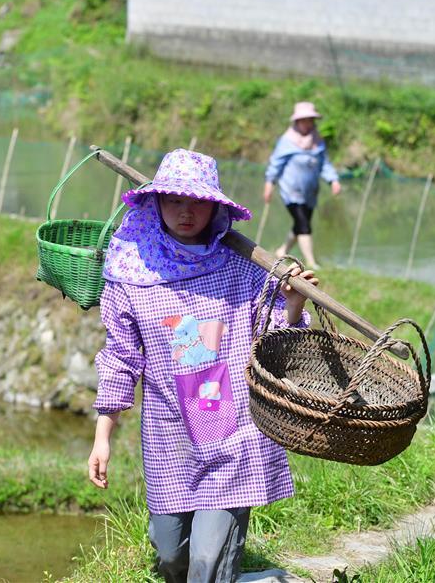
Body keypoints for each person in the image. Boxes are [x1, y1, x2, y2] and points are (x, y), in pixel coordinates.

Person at [87, 148, 318, 583]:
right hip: (170, 435)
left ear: (215, 206)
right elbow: (120, 358)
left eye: (196, 201)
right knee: (172, 556)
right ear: (155, 203)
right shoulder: (131, 271)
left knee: (207, 567)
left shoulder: (243, 268)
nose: (186, 212)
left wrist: (293, 303)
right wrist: (103, 437)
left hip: (233, 432)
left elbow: (275, 344)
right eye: (174, 200)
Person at [263, 101, 342, 270]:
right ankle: (311, 261)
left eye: (310, 120)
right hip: (291, 191)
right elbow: (276, 164)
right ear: (297, 122)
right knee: (304, 225)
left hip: (310, 192)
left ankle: (282, 250)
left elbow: (324, 163)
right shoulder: (287, 141)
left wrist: (333, 180)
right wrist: (270, 183)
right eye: (304, 120)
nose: (308, 124)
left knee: (300, 224)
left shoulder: (317, 141)